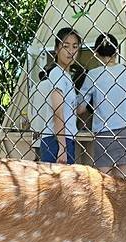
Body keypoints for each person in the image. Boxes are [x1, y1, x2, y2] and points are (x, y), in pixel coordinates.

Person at [79, 33, 126, 178]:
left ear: (95, 52)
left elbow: (80, 108)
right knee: (120, 179)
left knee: (104, 180)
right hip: (123, 131)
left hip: (103, 132)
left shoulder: (93, 75)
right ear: (116, 50)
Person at [40, 28, 81, 165]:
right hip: (56, 140)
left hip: (64, 138)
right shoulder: (57, 73)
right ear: (57, 49)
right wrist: (62, 147)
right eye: (66, 46)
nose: (71, 50)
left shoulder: (66, 76)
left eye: (75, 46)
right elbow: (57, 110)